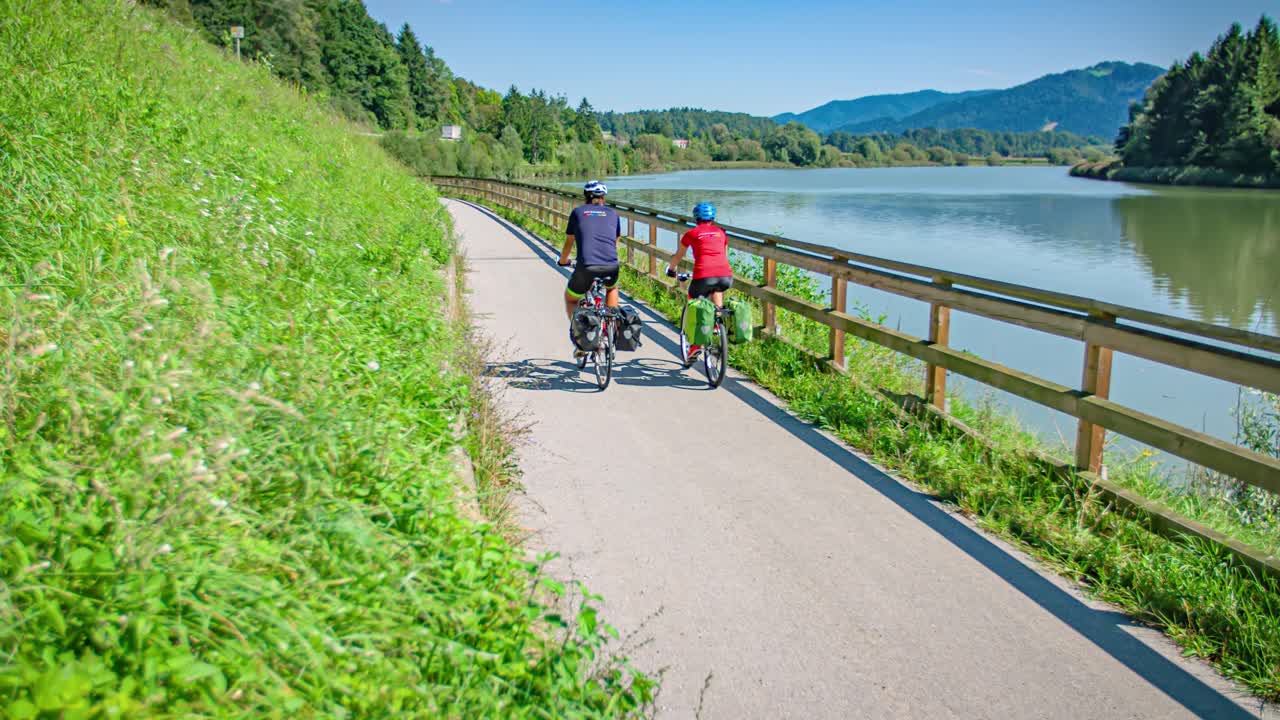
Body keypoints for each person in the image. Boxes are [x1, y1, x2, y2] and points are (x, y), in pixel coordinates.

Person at [558, 180, 621, 327]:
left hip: (586, 266)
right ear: (603, 198)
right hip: (611, 265)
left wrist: (563, 261)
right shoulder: (613, 214)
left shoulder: (578, 212)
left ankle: (580, 335)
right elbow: (614, 243)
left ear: (585, 197)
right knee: (611, 288)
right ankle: (610, 328)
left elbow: (569, 243)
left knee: (571, 299)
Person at [666, 201, 732, 307]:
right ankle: (718, 320)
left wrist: (671, 270)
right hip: (725, 276)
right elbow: (724, 255)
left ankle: (696, 321)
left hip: (703, 275)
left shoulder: (691, 233)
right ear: (713, 218)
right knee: (717, 290)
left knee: (693, 300)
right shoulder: (721, 233)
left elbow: (678, 256)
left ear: (696, 218)